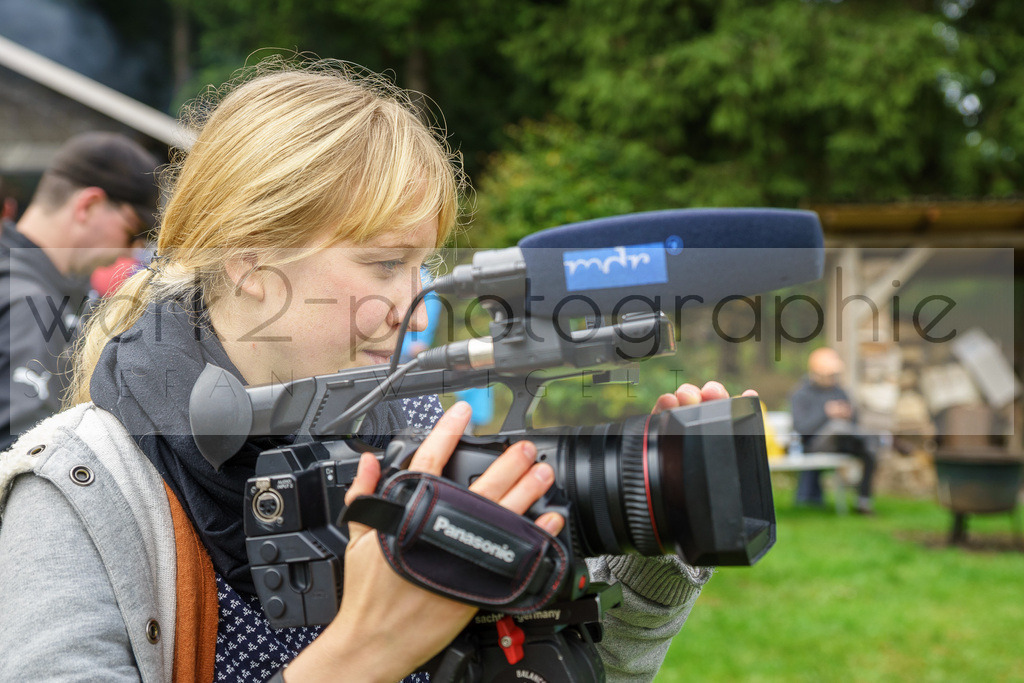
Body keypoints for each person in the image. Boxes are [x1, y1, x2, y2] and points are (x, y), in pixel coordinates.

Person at [0, 59, 753, 682]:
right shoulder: (80, 492)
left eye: (421, 265)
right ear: (251, 263)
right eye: (387, 264)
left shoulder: (421, 429)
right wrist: (364, 651)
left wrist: (656, 545)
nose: (410, 304)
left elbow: (578, 667)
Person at [0, 132, 160, 450]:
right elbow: (22, 456)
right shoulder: (30, 302)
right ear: (89, 204)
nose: (132, 252)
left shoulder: (44, 286)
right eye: (131, 232)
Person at [790, 346, 878, 514]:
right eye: (829, 375)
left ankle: (863, 501)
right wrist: (826, 413)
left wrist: (848, 414)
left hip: (845, 442)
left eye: (834, 375)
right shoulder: (801, 394)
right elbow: (801, 428)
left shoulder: (839, 391)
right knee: (838, 426)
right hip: (814, 445)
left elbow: (855, 421)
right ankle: (882, 440)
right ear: (816, 373)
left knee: (870, 446)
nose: (832, 379)